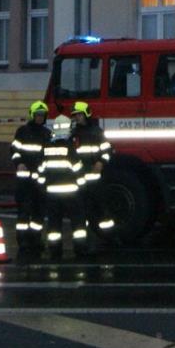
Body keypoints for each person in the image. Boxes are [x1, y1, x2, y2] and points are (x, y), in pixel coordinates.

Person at [37, 109, 88, 259]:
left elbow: (41, 171)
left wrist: (42, 188)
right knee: (78, 223)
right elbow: (78, 170)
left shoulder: (47, 149)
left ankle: (54, 250)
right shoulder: (69, 149)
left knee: (54, 225)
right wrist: (82, 187)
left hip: (52, 195)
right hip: (72, 193)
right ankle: (80, 249)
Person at [69, 101, 116, 247]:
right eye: (75, 115)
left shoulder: (97, 132)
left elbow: (107, 151)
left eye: (79, 115)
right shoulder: (73, 135)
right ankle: (85, 242)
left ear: (86, 114)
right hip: (80, 181)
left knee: (102, 209)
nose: (77, 118)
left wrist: (101, 162)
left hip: (96, 180)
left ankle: (109, 238)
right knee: (82, 211)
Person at [10, 101, 53, 254]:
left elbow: (48, 156)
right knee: (24, 213)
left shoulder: (47, 134)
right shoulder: (22, 132)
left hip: (40, 182)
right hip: (24, 182)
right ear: (33, 115)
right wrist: (19, 163)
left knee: (38, 213)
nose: (40, 118)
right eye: (38, 115)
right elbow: (14, 151)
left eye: (43, 115)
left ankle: (35, 239)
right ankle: (23, 242)